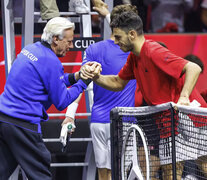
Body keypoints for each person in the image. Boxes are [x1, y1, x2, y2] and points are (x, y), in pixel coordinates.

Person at [81, 8, 207, 180]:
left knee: (204, 167)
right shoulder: (134, 58)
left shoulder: (153, 51)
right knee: (170, 174)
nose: (116, 42)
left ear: (132, 34)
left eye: (118, 37)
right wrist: (96, 77)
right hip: (168, 122)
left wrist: (184, 97)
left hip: (190, 119)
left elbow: (193, 68)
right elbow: (118, 83)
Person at [0, 17, 92, 180]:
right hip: (23, 124)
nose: (71, 46)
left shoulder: (31, 50)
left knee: (3, 170)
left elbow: (53, 81)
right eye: (69, 42)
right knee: (41, 173)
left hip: (4, 119)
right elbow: (62, 101)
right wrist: (84, 82)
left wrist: (76, 76)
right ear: (56, 39)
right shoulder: (51, 61)